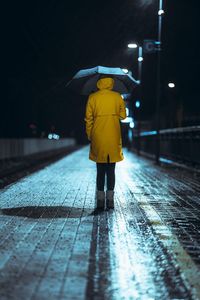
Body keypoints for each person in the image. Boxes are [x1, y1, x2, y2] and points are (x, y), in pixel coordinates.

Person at [84, 76, 127, 210]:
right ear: (112, 83)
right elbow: (123, 116)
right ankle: (110, 201)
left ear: (98, 83)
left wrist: (90, 135)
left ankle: (100, 201)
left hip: (98, 136)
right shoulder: (117, 96)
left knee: (100, 170)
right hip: (113, 136)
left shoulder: (93, 97)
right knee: (111, 169)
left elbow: (88, 119)